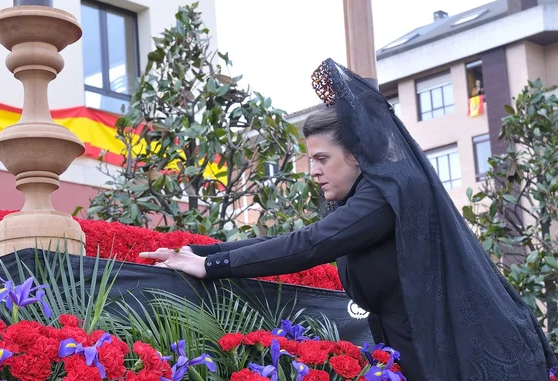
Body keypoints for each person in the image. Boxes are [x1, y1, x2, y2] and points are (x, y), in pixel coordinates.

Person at [140, 58, 557, 380]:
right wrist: (197, 252)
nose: (313, 171)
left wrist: (210, 265)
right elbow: (303, 236)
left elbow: (310, 245)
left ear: (357, 156)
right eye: (310, 160)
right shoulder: (368, 196)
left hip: (469, 359)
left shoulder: (386, 196)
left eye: (322, 159)